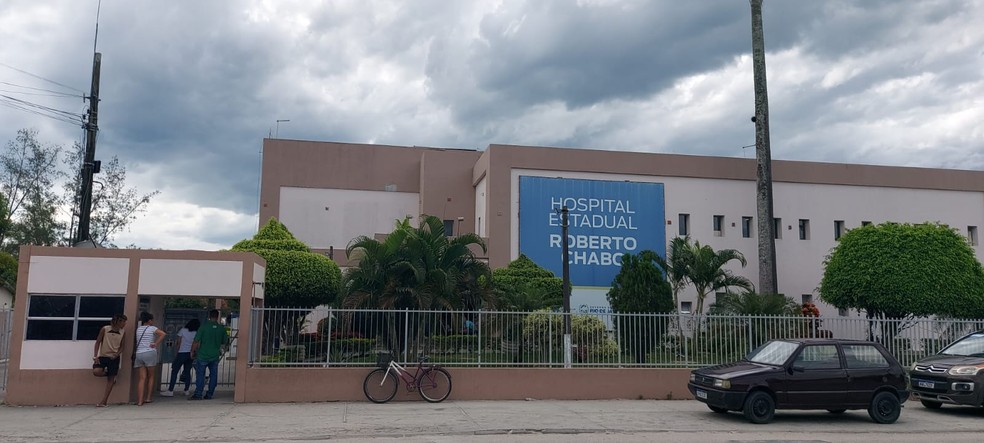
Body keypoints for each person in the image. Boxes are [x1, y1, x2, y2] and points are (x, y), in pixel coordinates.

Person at [190, 309, 228, 400]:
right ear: (217, 317)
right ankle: (209, 394)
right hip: (214, 356)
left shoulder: (203, 327)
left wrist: (192, 351)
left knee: (200, 375)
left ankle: (198, 394)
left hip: (203, 355)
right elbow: (224, 341)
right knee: (213, 375)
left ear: (209, 316)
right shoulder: (221, 329)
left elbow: (196, 341)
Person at [93, 314, 127, 407]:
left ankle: (104, 401)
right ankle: (110, 375)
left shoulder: (123, 332)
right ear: (118, 321)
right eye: (123, 322)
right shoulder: (105, 329)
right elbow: (98, 342)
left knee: (110, 379)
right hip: (103, 356)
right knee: (96, 372)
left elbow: (122, 346)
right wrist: (95, 356)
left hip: (114, 357)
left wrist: (117, 354)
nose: (124, 324)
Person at [134, 311, 166, 406]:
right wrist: (156, 343)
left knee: (142, 378)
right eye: (152, 320)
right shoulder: (152, 328)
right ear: (149, 320)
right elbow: (163, 334)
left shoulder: (138, 329)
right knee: (151, 376)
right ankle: (148, 398)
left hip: (139, 353)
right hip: (149, 353)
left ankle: (140, 401)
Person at [161, 318, 200, 397]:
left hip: (182, 353)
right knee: (187, 371)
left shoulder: (183, 330)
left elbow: (178, 342)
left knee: (174, 371)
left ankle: (171, 390)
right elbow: (197, 344)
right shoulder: (196, 333)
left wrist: (177, 352)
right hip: (190, 354)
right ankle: (186, 390)